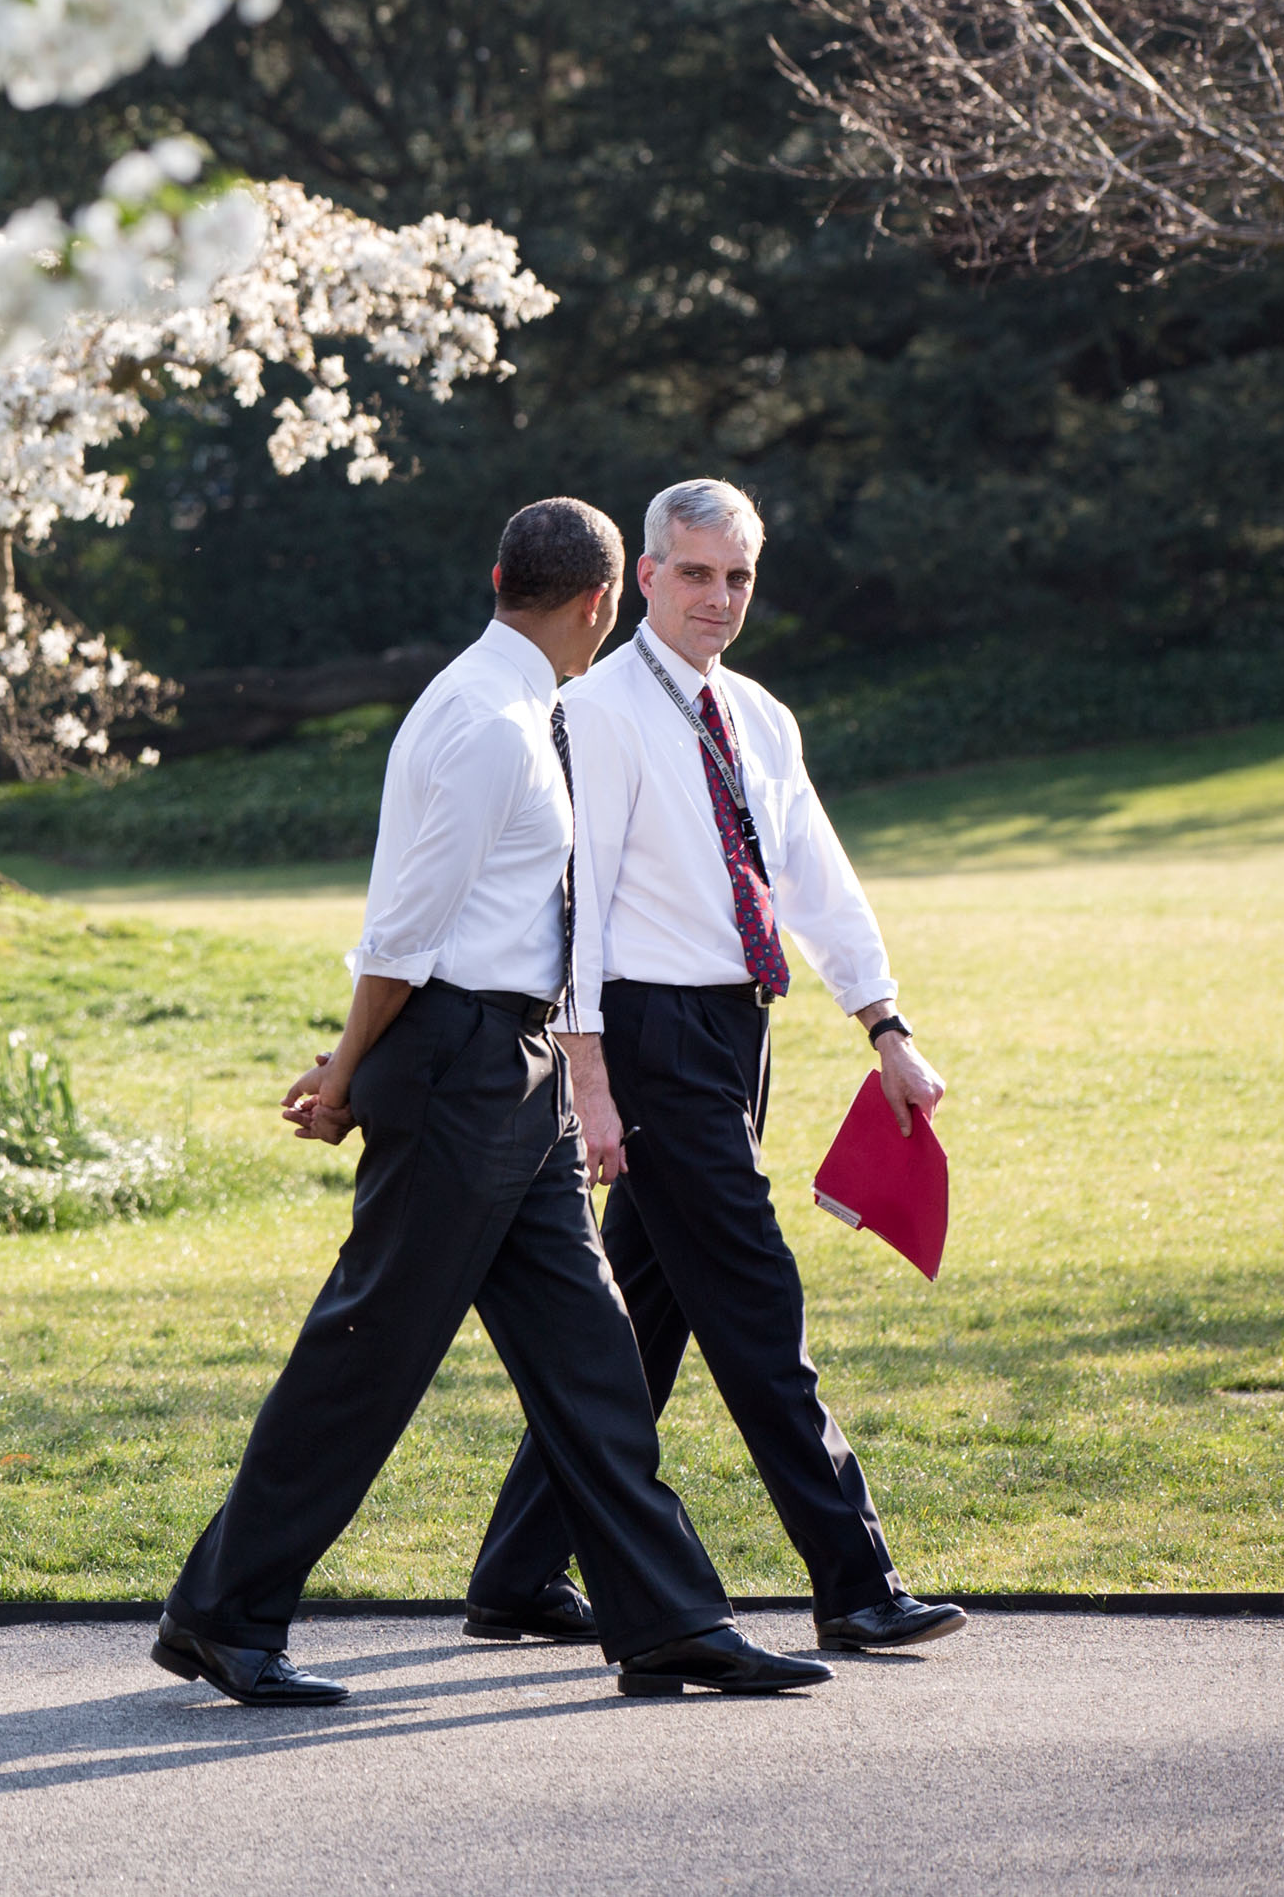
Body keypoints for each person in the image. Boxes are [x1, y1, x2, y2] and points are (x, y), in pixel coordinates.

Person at [152, 498, 827, 1707]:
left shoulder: (517, 705)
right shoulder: (490, 722)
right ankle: (223, 1613)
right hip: (460, 1063)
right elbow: (403, 929)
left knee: (593, 1359)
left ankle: (670, 1619)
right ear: (600, 602)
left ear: (501, 575)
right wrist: (349, 1069)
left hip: (511, 1069)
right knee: (367, 1352)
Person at [461, 477, 967, 1658]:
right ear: (643, 577)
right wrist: (587, 1073)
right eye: (695, 573)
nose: (719, 597)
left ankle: (516, 1575)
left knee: (646, 1315)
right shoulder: (599, 714)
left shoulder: (761, 716)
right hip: (645, 1036)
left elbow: (815, 877)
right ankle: (854, 1579)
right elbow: (572, 911)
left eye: (738, 575)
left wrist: (883, 1025)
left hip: (738, 1032)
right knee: (755, 1301)